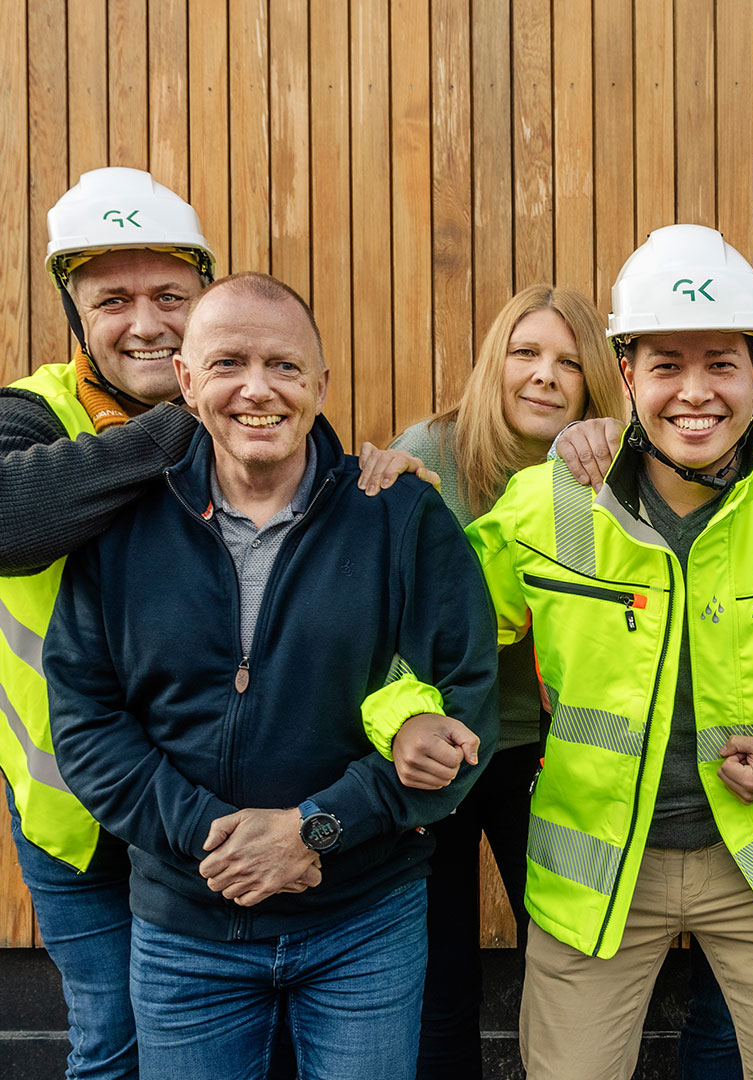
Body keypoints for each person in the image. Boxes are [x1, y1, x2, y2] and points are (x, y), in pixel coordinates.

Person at [449, 224, 753, 1079]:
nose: (695, 393)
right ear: (627, 373)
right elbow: (428, 641)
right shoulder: (547, 507)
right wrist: (407, 716)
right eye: (666, 364)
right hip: (597, 872)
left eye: (720, 362)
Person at [42, 272, 499, 1079]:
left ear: (321, 385)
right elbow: (86, 722)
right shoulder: (120, 527)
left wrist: (314, 829)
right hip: (186, 931)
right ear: (185, 379)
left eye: (285, 367)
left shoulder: (399, 515)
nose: (258, 389)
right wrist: (213, 840)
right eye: (228, 364)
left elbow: (467, 707)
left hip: (364, 925)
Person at [0, 166, 212, 1079]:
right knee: (115, 1042)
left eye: (170, 295)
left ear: (207, 298)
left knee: (216, 1037)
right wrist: (181, 421)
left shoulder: (249, 410)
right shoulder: (27, 411)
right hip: (76, 822)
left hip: (208, 806)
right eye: (113, 299)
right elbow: (12, 522)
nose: (146, 323)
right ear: (75, 313)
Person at [387, 284, 624, 1078]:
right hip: (443, 745)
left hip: (549, 752)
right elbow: (390, 608)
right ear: (496, 361)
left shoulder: (616, 462)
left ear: (594, 378)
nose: (545, 376)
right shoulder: (431, 451)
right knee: (440, 968)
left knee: (562, 965)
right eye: (526, 353)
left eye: (568, 361)